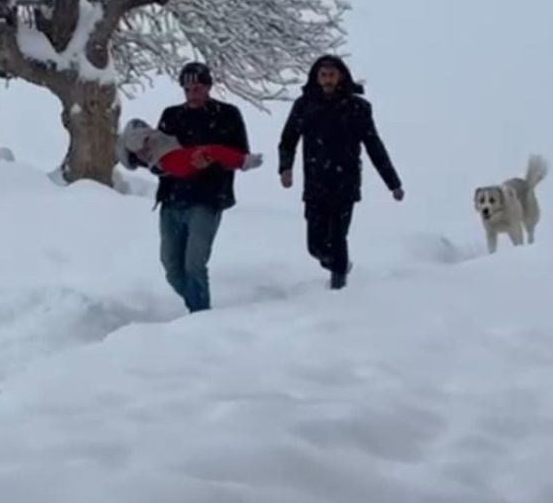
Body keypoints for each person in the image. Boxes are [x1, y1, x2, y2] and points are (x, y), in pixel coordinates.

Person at [277, 54, 404, 290]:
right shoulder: (304, 105)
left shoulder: (357, 107)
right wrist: (285, 168)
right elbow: (288, 139)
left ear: (341, 77)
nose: (327, 80)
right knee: (315, 245)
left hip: (345, 183)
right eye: (323, 75)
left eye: (331, 75)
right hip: (315, 183)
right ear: (316, 78)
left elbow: (374, 146)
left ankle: (339, 288)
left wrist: (393, 183)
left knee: (337, 238)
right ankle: (339, 265)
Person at [135, 61, 250, 313]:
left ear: (208, 87)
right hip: (172, 196)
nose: (192, 94)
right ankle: (196, 309)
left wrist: (210, 161)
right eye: (187, 89)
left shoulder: (227, 115)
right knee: (171, 267)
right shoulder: (171, 115)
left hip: (207, 198)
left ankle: (200, 317)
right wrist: (150, 162)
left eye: (197, 88)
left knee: (195, 265)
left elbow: (240, 155)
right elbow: (159, 154)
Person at [117, 118, 263, 178]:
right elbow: (137, 143)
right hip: (172, 157)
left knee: (212, 156)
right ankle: (243, 161)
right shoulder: (134, 138)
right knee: (215, 152)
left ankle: (241, 161)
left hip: (172, 159)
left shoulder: (149, 141)